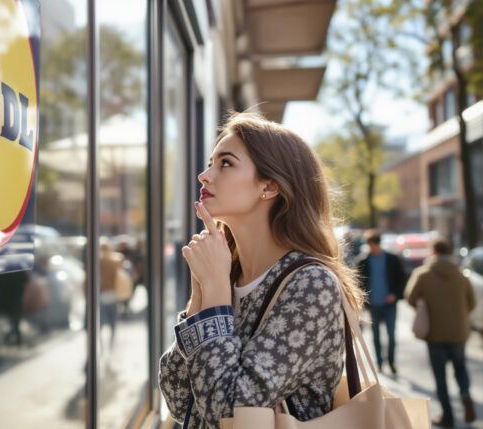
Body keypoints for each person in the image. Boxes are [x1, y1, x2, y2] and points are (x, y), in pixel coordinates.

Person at [158, 112, 364, 428]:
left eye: (225, 163)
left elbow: (226, 412)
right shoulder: (227, 271)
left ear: (269, 186)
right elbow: (178, 401)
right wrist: (201, 295)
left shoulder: (310, 284)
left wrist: (213, 293)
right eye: (211, 162)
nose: (204, 175)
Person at [406, 237, 477, 427]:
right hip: (459, 332)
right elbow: (472, 302)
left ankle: (448, 416)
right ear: (449, 252)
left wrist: (425, 307)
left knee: (440, 377)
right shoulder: (462, 275)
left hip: (435, 333)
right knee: (460, 368)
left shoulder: (423, 274)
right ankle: (465, 393)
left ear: (433, 252)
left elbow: (410, 298)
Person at [354, 229, 406, 374]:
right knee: (376, 336)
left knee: (391, 335)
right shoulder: (363, 261)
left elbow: (401, 279)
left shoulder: (392, 259)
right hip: (374, 305)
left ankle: (391, 361)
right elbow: (358, 285)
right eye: (369, 245)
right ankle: (379, 363)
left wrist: (395, 294)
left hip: (389, 304)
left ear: (378, 244)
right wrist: (364, 303)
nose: (372, 247)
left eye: (374, 244)